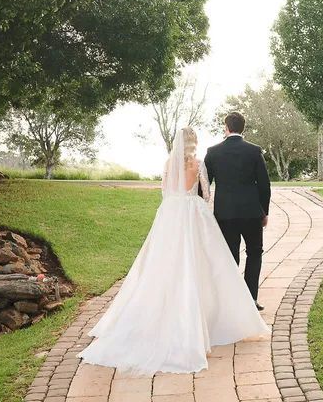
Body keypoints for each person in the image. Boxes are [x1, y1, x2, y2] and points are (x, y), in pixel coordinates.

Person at [78, 127, 268, 375]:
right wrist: (195, 202)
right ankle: (212, 317)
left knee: (165, 263)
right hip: (193, 214)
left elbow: (164, 192)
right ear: (193, 143)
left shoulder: (168, 163)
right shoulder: (198, 164)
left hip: (170, 214)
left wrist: (176, 203)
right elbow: (207, 194)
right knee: (205, 264)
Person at [203, 111, 271, 310]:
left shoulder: (213, 151)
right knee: (255, 253)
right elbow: (264, 185)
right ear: (243, 128)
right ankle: (251, 299)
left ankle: (232, 302)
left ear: (226, 127)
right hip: (251, 213)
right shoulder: (254, 151)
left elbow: (204, 184)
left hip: (225, 214)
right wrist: (264, 212)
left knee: (230, 256)